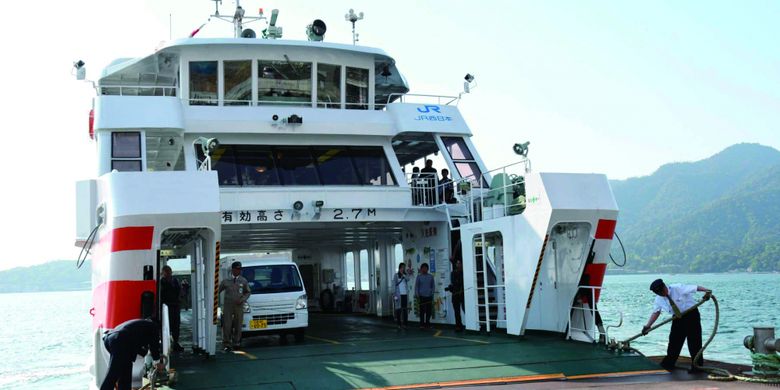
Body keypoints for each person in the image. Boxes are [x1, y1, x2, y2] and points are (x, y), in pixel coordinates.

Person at [642, 278, 711, 373]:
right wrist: (648, 326)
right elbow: (656, 312)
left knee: (694, 341)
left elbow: (695, 288)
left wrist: (707, 291)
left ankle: (697, 366)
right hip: (677, 317)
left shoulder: (677, 288)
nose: (662, 294)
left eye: (662, 291)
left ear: (665, 286)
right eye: (659, 293)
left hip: (691, 314)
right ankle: (669, 363)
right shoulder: (659, 299)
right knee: (674, 341)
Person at [100, 318, 164, 390]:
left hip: (110, 339)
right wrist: (157, 362)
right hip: (120, 342)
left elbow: (138, 346)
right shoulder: (153, 327)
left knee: (125, 375)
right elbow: (154, 346)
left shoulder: (140, 325)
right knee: (113, 374)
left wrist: (148, 353)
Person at [218, 261, 250, 351]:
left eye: (240, 269)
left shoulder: (243, 281)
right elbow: (217, 291)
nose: (238, 271)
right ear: (232, 270)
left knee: (238, 324)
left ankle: (236, 342)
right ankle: (226, 343)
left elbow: (248, 292)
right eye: (237, 269)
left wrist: (243, 299)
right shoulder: (226, 281)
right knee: (227, 325)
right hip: (228, 306)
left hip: (238, 305)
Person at [160, 265, 184, 352]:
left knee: (176, 325)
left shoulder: (175, 281)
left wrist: (180, 298)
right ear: (163, 273)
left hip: (175, 306)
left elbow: (180, 291)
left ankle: (175, 343)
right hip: (166, 307)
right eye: (166, 272)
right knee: (167, 326)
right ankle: (166, 344)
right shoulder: (161, 282)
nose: (169, 273)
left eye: (169, 271)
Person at [446, 259, 465, 332]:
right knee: (456, 311)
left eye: (460, 263)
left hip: (463, 294)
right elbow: (454, 282)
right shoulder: (453, 273)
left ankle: (469, 324)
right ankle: (458, 325)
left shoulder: (464, 272)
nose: (458, 265)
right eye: (457, 263)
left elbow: (462, 282)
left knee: (465, 309)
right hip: (455, 294)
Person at [415, 263, 435, 329]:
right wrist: (417, 295)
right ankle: (422, 324)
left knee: (429, 311)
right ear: (421, 269)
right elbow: (416, 286)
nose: (424, 269)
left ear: (427, 269)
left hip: (429, 296)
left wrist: (431, 293)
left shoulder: (431, 276)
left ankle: (427, 324)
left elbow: (433, 286)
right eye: (423, 268)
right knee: (422, 311)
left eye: (425, 268)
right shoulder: (419, 277)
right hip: (421, 296)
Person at [392, 263, 410, 329]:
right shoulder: (396, 275)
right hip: (398, 295)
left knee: (405, 310)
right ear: (399, 268)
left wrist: (404, 275)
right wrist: (394, 294)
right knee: (398, 310)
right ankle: (399, 324)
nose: (403, 269)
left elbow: (408, 279)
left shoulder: (405, 275)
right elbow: (393, 284)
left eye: (404, 267)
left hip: (405, 294)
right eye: (402, 267)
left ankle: (405, 324)